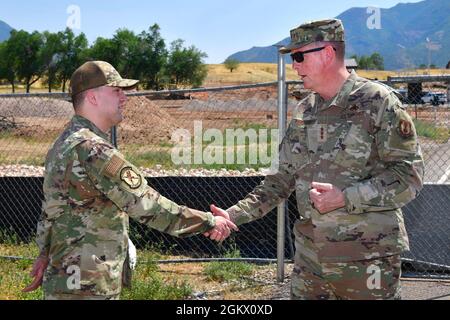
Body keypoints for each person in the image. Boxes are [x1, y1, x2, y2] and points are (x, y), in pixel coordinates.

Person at [209, 19, 424, 300]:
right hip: (310, 259)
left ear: (327, 53)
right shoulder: (304, 111)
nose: (294, 66)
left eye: (299, 56)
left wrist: (345, 197)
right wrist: (233, 214)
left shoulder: (377, 102)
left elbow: (409, 176)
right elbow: (279, 181)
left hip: (366, 258)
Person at [22, 61, 237, 300]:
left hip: (67, 273)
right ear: (92, 98)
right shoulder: (93, 149)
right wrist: (208, 222)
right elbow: (146, 203)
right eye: (116, 91)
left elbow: (51, 208)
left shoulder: (64, 142)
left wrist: (44, 253)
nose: (124, 98)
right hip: (87, 281)